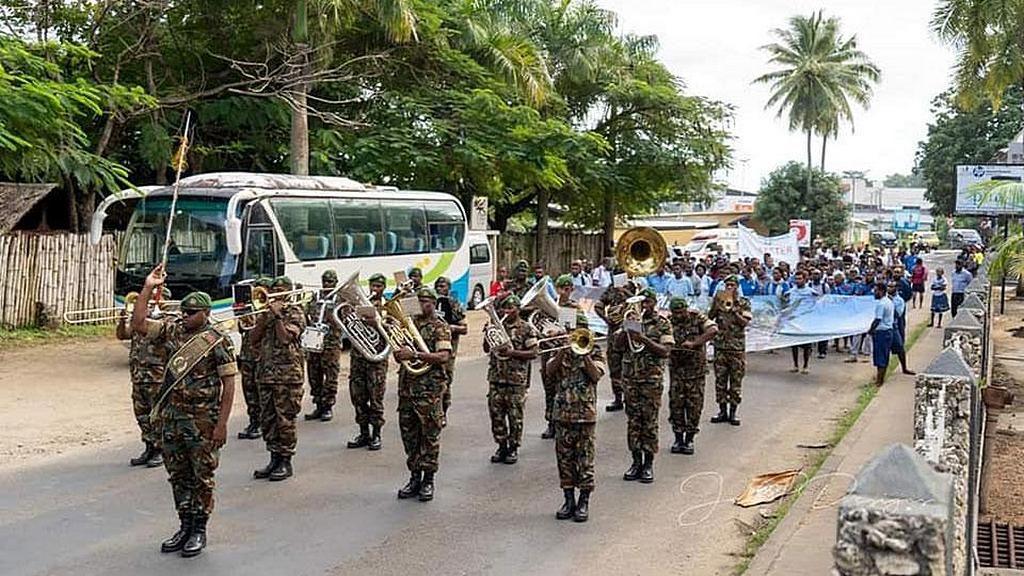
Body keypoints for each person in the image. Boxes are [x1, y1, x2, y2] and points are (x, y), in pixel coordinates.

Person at [131, 264, 236, 558]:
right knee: (177, 475)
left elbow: (229, 385)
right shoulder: (173, 331)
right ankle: (184, 525)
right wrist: (148, 287)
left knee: (201, 476)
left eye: (191, 313)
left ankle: (199, 529)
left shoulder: (216, 341)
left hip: (203, 422)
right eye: (184, 311)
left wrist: (222, 424)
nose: (185, 316)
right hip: (172, 420)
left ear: (205, 314)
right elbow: (138, 324)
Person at [545, 312, 605, 523]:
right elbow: (549, 372)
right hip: (562, 414)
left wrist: (585, 353)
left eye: (577, 330)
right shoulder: (559, 348)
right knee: (565, 460)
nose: (573, 334)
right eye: (571, 330)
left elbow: (596, 376)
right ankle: (568, 499)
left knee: (585, 460)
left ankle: (584, 501)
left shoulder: (595, 349)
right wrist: (562, 351)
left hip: (585, 415)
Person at [395, 287, 452, 502]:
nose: (422, 304)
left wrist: (416, 354)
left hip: (429, 391)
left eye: (427, 301)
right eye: (419, 301)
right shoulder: (409, 325)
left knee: (429, 437)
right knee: (409, 436)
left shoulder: (440, 326)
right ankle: (414, 477)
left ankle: (428, 479)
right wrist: (400, 354)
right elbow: (400, 350)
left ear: (433, 304)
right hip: (407, 389)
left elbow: (443, 356)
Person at [251, 276, 306, 482]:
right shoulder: (265, 313)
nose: (276, 294)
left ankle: (286, 461)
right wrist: (265, 319)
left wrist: (277, 317)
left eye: (281, 290)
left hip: (288, 377)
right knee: (268, 420)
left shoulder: (295, 313)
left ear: (288, 292)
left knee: (285, 420)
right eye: (274, 290)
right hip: (266, 375)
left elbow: (285, 339)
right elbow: (253, 340)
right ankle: (273, 457)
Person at [618, 288, 673, 484]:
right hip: (631, 379)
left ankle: (648, 463)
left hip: (651, 380)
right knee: (633, 422)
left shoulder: (663, 323)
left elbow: (665, 351)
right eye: (641, 303)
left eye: (647, 303)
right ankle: (635, 462)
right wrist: (627, 330)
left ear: (654, 303)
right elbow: (618, 345)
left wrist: (643, 339)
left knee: (649, 422)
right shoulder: (631, 319)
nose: (644, 307)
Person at [118, 287, 172, 468]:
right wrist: (121, 321)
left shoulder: (167, 322)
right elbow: (123, 335)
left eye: (156, 298)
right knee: (141, 414)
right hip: (138, 375)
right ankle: (149, 446)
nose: (149, 302)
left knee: (157, 415)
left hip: (157, 376)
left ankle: (159, 450)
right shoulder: (138, 320)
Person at [484, 294, 539, 464]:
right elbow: (487, 349)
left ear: (518, 309)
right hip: (496, 378)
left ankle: (513, 447)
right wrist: (487, 333)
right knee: (496, 415)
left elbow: (533, 353)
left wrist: (513, 353)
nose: (507, 311)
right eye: (504, 308)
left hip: (516, 379)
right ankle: (501, 445)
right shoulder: (496, 326)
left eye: (510, 308)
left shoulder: (526, 328)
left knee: (515, 416)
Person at [668, 297, 718, 455]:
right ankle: (678, 438)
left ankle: (689, 439)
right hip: (677, 370)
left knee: (694, 406)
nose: (678, 315)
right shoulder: (669, 321)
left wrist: (696, 343)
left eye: (681, 312)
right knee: (676, 406)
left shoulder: (697, 318)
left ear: (686, 309)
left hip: (695, 371)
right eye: (675, 312)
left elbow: (713, 330)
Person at [345, 273, 389, 451]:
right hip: (358, 358)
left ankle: (376, 434)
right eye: (372, 286)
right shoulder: (359, 306)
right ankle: (363, 433)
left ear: (383, 288)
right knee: (358, 397)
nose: (374, 290)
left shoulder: (389, 306)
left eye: (378, 286)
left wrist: (378, 323)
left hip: (376, 360)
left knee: (375, 398)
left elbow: (395, 328)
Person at [708, 276, 751, 425]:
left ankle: (733, 412)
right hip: (720, 347)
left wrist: (735, 312)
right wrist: (716, 304)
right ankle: (722, 411)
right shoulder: (719, 299)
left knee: (735, 381)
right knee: (720, 381)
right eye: (727, 285)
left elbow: (745, 323)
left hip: (736, 348)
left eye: (732, 285)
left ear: (737, 286)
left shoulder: (744, 302)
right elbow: (710, 317)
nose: (729, 287)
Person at [540, 274, 578, 440]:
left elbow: (570, 330)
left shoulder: (572, 307)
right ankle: (550, 423)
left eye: (567, 289)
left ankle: (561, 421)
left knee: (561, 388)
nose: (564, 292)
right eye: (561, 288)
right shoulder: (548, 305)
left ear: (572, 290)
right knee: (548, 388)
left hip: (563, 353)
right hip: (548, 351)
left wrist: (556, 332)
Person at [304, 270, 342, 422]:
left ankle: (328, 407)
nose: (327, 285)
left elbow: (344, 319)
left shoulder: (340, 299)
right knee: (314, 374)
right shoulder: (315, 297)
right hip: (314, 342)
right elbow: (306, 314)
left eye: (330, 282)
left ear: (336, 283)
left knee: (330, 375)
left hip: (331, 343)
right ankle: (318, 405)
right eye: (325, 281)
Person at [237, 278, 270, 440]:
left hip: (261, 356)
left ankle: (263, 423)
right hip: (247, 355)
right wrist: (241, 313)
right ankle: (253, 421)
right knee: (248, 390)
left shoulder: (268, 310)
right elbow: (242, 329)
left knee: (260, 392)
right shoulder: (250, 307)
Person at [595, 280, 630, 411]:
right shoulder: (611, 289)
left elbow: (642, 304)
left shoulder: (635, 285)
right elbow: (598, 306)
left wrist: (625, 291)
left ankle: (630, 397)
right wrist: (606, 319)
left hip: (629, 331)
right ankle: (618, 398)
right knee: (615, 367)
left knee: (630, 366)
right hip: (614, 333)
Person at [435, 276, 467, 417]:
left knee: (446, 381)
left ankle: (444, 412)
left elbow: (464, 328)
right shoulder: (431, 302)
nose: (440, 289)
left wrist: (450, 328)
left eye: (444, 286)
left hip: (448, 349)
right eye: (438, 286)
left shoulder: (454, 303)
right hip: (431, 348)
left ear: (449, 288)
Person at [786, 271, 816, 373]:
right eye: (796, 279)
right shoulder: (791, 292)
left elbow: (815, 305)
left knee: (807, 345)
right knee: (794, 344)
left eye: (800, 279)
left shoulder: (811, 292)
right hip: (794, 321)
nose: (798, 281)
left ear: (805, 279)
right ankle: (795, 365)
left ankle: (805, 366)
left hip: (806, 321)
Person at [869, 283, 895, 388]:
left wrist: (871, 329)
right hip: (888, 331)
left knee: (880, 357)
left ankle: (880, 381)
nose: (874, 293)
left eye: (876, 291)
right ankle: (880, 377)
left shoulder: (881, 304)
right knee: (884, 355)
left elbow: (878, 319)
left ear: (881, 291)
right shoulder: (888, 301)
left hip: (882, 333)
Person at [887, 281, 916, 376]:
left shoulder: (899, 300)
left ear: (896, 288)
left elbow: (898, 314)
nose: (889, 288)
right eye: (888, 286)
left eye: (892, 286)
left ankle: (904, 368)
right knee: (884, 350)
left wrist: (890, 303)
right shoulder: (884, 298)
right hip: (885, 327)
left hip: (894, 326)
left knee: (900, 347)